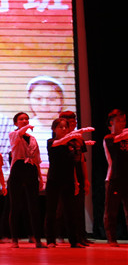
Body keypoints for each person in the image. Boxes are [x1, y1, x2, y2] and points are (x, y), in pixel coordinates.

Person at [45, 118, 87, 248]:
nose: (64, 129)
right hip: (54, 180)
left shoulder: (72, 144)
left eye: (66, 127)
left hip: (68, 180)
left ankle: (74, 241)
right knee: (51, 210)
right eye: (60, 127)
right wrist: (73, 135)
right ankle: (50, 240)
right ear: (54, 129)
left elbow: (74, 164)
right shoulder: (51, 142)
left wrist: (76, 181)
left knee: (70, 211)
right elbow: (59, 143)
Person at [7, 112, 44, 248]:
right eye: (21, 119)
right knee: (15, 206)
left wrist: (40, 177)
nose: (24, 121)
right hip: (18, 169)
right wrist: (26, 127)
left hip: (31, 169)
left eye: (26, 119)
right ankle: (14, 239)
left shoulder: (32, 138)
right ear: (16, 123)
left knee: (34, 206)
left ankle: (38, 239)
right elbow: (19, 133)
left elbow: (37, 160)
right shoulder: (13, 134)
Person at [59, 110, 93, 245]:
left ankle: (81, 236)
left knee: (79, 206)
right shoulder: (61, 139)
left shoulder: (79, 138)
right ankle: (62, 235)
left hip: (78, 173)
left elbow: (82, 160)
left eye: (74, 122)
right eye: (70, 122)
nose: (73, 124)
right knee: (64, 207)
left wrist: (85, 179)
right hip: (65, 174)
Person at [103, 109, 128, 246]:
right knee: (111, 211)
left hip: (126, 178)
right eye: (118, 121)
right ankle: (111, 238)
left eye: (123, 121)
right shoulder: (109, 138)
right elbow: (116, 140)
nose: (122, 123)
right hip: (114, 179)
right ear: (111, 123)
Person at [26, 75, 65, 147]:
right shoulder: (21, 131)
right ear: (29, 100)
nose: (44, 104)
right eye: (38, 98)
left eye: (51, 99)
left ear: (61, 101)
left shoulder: (73, 129)